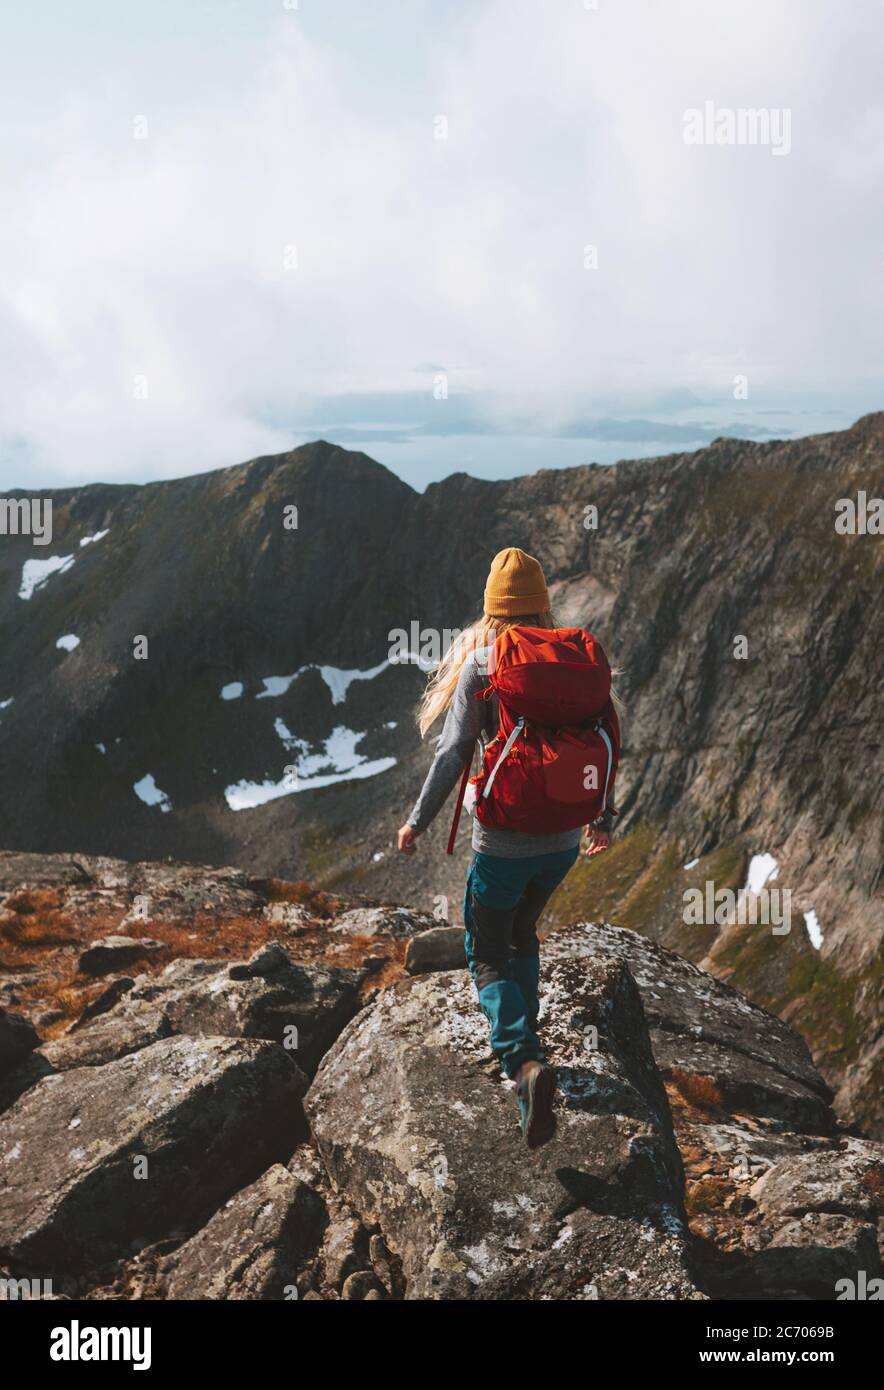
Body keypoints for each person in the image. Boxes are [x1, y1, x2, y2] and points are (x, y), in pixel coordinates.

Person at [397, 547, 618, 1149]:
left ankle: (522, 1065)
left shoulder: (483, 664)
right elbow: (608, 737)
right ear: (543, 605)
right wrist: (604, 817)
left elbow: (452, 754)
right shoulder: (578, 661)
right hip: (564, 841)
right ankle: (531, 1039)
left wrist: (417, 821)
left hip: (501, 843)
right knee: (524, 933)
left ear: (492, 611)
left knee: (486, 949)